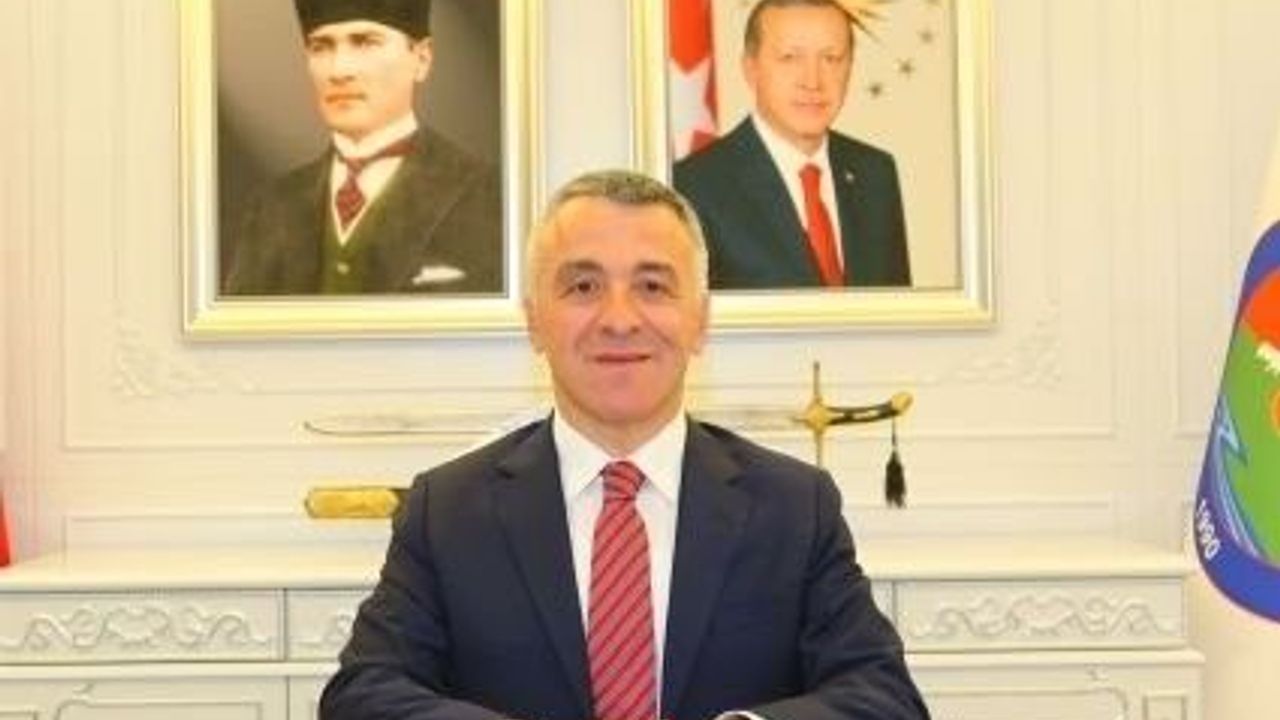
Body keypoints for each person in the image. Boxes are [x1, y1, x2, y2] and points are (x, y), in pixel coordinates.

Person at [319, 169, 929, 720]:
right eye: (583, 287)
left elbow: (884, 697)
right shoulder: (447, 509)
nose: (619, 319)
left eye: (653, 287)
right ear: (534, 320)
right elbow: (362, 695)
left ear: (700, 320)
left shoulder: (794, 505)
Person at [224, 0, 502, 295]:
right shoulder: (273, 209)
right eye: (321, 47)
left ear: (421, 59)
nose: (339, 70)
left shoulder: (485, 195)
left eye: (365, 42)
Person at [674, 0, 910, 290]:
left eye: (831, 58)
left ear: (850, 67)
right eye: (790, 58)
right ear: (750, 68)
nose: (812, 81)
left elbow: (898, 311)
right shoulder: (695, 186)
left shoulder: (875, 172)